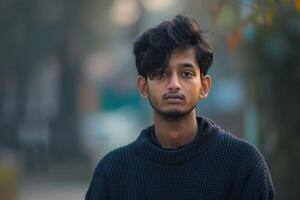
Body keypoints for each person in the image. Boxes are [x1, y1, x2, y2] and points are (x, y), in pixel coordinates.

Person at [85, 15, 275, 200]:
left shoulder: (243, 164)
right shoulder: (113, 173)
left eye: (186, 73)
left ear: (204, 86)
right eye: (161, 74)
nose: (174, 84)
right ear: (143, 87)